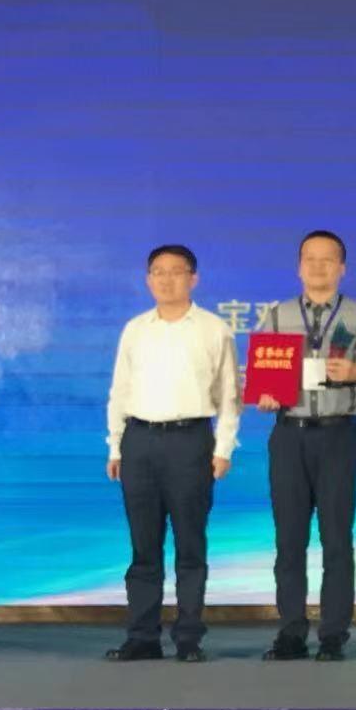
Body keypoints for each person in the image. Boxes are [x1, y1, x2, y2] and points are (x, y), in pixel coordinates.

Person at [252, 230, 356, 663]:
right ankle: (291, 632)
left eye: (327, 259)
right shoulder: (277, 316)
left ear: (341, 267)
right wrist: (264, 394)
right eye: (309, 259)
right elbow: (260, 374)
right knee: (289, 539)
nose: (318, 267)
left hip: (337, 435)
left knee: (336, 538)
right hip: (288, 434)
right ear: (299, 267)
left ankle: (333, 635)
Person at [104, 244, 241, 663]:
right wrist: (116, 444)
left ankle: (188, 638)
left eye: (175, 271)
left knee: (190, 545)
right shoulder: (135, 329)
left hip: (189, 442)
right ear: (148, 280)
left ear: (193, 278)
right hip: (139, 441)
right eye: (157, 272)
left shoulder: (214, 329)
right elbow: (120, 390)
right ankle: (142, 637)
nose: (166, 280)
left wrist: (223, 448)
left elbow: (229, 395)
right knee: (143, 547)